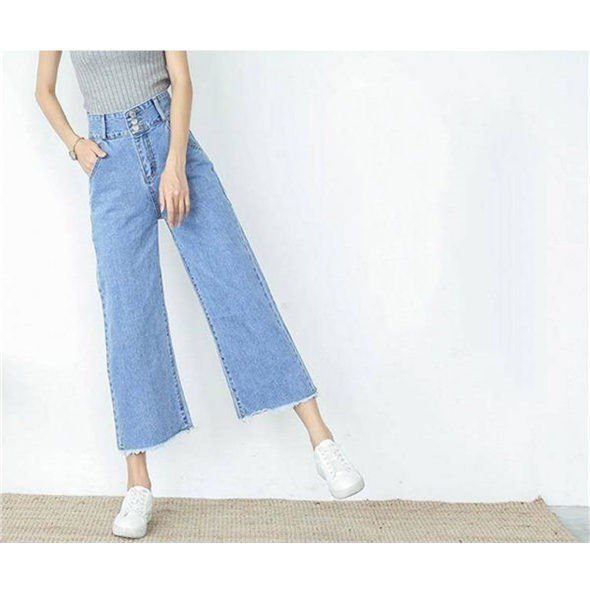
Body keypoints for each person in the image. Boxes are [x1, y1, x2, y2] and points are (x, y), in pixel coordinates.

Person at [35, 50, 364, 539]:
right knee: (128, 316)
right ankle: (138, 484)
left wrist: (175, 164)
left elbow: (181, 80)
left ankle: (322, 440)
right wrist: (74, 144)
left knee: (237, 283)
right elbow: (43, 90)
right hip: (110, 165)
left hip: (170, 139)